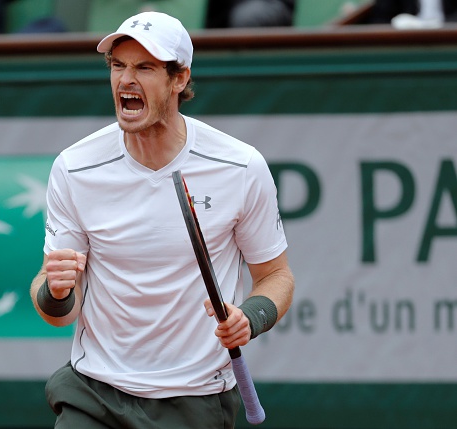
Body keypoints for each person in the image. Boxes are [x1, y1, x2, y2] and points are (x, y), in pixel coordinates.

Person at [30, 11, 295, 429]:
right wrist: (56, 291)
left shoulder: (240, 167)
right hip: (93, 393)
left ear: (180, 79)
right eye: (118, 66)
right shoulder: (74, 167)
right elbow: (58, 310)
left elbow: (276, 276)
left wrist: (251, 317)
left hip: (195, 400)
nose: (126, 80)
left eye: (145, 68)